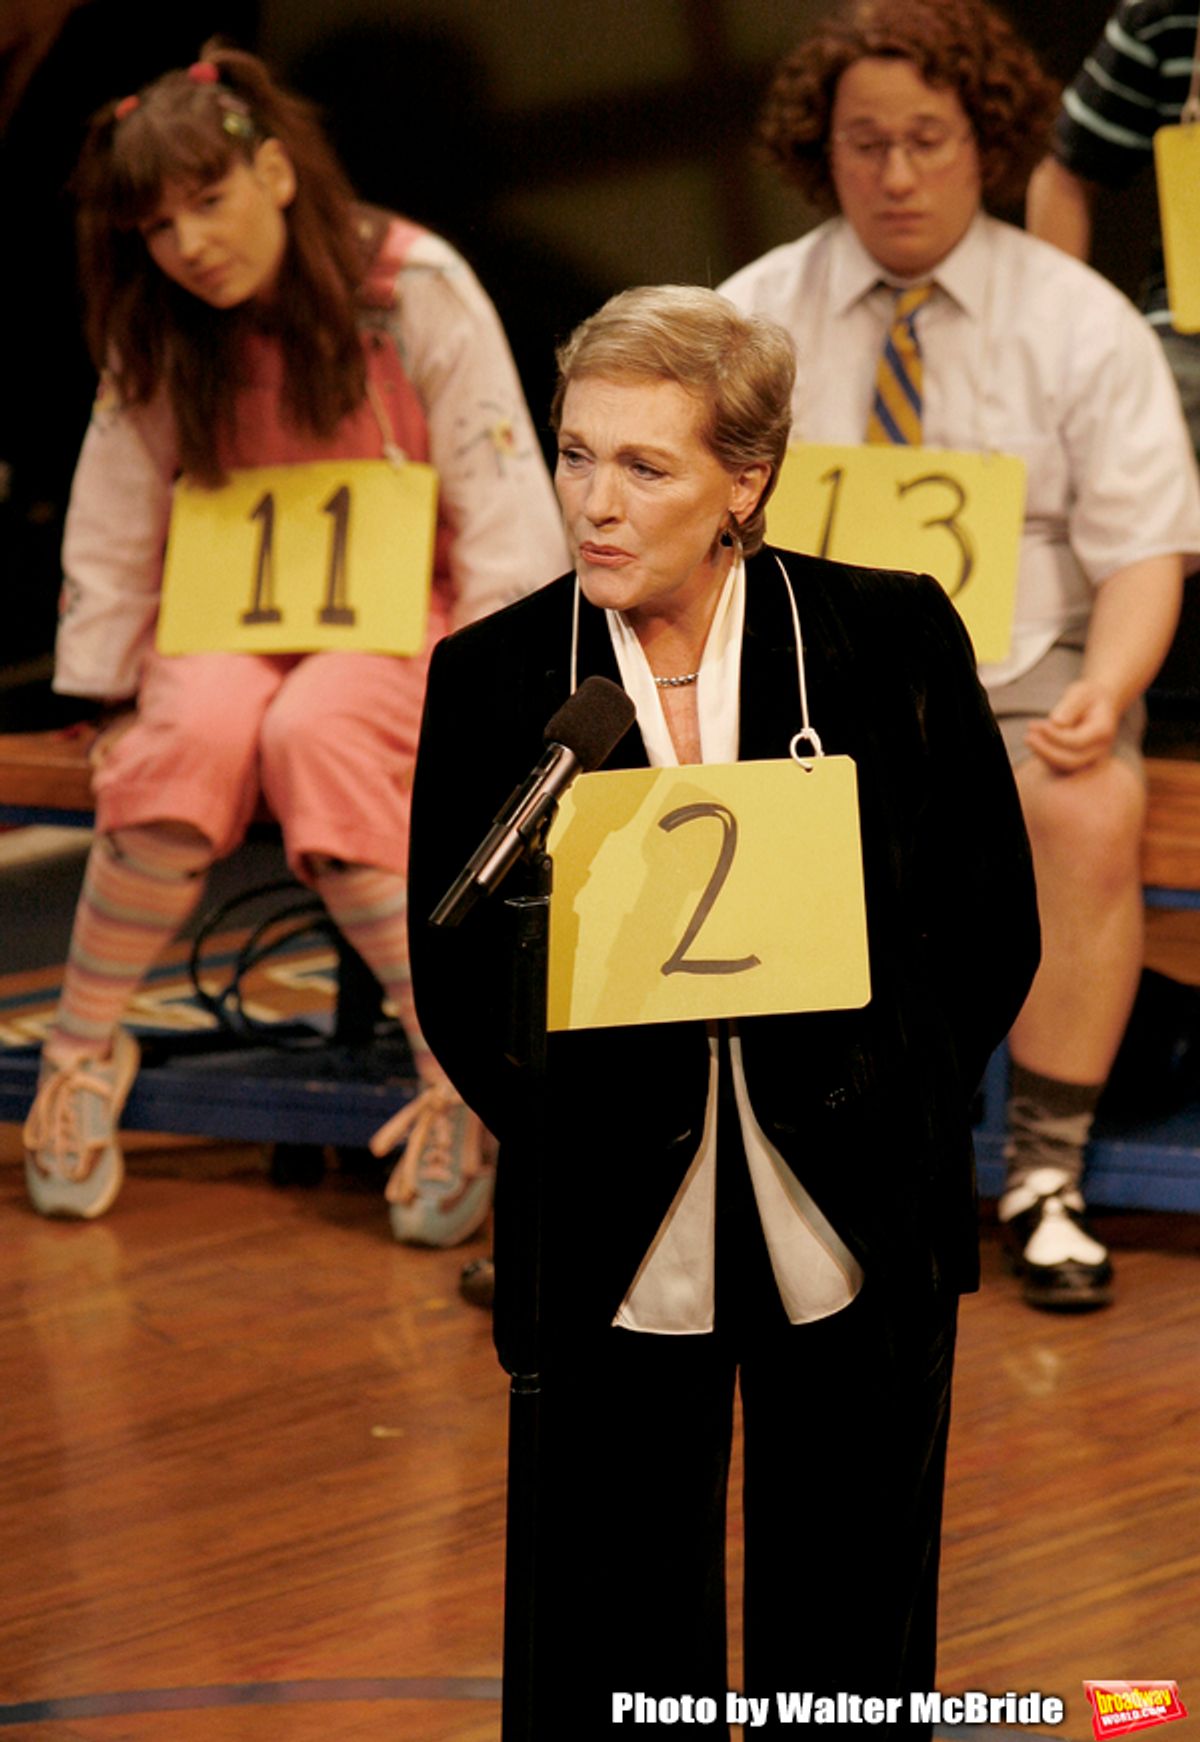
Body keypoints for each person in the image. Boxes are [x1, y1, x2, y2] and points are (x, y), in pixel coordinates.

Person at [406, 285, 1039, 1736]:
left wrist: (893, 1098)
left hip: (857, 1193)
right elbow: (457, 977)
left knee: (855, 1608)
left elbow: (988, 918)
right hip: (614, 1210)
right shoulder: (499, 677)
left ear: (744, 481)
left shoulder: (886, 636)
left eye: (646, 466)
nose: (596, 504)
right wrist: (585, 1125)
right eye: (575, 456)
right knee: (615, 1620)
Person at [20, 43, 568, 1243]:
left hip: (395, 620)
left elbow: (496, 478)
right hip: (221, 618)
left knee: (319, 730)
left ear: (272, 171)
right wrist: (108, 688)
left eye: (208, 203)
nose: (190, 244)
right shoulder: (155, 319)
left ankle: (456, 1078)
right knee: (193, 732)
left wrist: (501, 690)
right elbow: (117, 500)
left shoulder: (410, 282)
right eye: (158, 225)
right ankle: (80, 1047)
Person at [720, 0, 1200, 1312]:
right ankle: (740, 1169)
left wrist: (1106, 688)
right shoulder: (753, 313)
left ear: (984, 142)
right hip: (798, 672)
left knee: (1088, 799)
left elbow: (1147, 547)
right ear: (823, 152)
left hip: (1024, 664)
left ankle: (1044, 1172)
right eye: (865, 143)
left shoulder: (1081, 318)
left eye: (927, 139)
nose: (897, 174)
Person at [1026, 2, 1200, 453]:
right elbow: (1065, 169)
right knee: (1144, 413)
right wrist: (1054, 340)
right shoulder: (1165, 15)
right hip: (1190, 332)